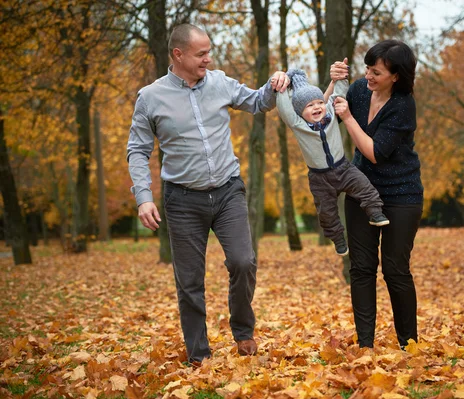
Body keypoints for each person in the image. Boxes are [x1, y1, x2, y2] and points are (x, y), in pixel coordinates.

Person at [126, 24, 290, 363]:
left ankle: (243, 331)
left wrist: (275, 83)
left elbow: (259, 101)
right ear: (178, 54)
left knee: (244, 262)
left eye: (208, 52)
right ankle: (199, 355)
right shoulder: (151, 97)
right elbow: (137, 150)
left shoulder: (219, 82)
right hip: (183, 200)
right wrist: (143, 196)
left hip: (228, 191)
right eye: (201, 54)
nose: (208, 59)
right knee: (189, 281)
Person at [329, 40, 424, 349]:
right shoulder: (358, 90)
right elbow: (320, 113)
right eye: (367, 69)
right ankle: (365, 344)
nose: (368, 76)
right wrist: (332, 84)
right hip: (361, 190)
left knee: (395, 270)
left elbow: (373, 152)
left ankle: (408, 345)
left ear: (396, 76)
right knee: (361, 268)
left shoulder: (402, 105)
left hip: (401, 195)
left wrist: (349, 119)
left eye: (377, 72)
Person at [276, 67, 389, 256]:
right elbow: (284, 107)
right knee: (326, 213)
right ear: (299, 112)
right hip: (319, 178)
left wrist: (341, 76)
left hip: (343, 168)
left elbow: (339, 93)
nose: (317, 107)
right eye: (310, 105)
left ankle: (375, 213)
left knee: (365, 187)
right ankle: (337, 238)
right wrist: (281, 87)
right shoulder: (297, 124)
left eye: (319, 102)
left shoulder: (330, 114)